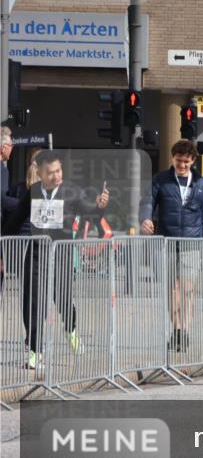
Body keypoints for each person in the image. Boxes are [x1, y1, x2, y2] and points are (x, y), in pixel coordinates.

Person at [14, 150, 111, 368]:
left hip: (61, 255)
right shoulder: (34, 192)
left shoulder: (72, 191)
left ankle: (71, 330)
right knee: (33, 302)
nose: (56, 176)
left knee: (64, 300)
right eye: (50, 173)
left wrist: (100, 206)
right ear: (40, 173)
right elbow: (15, 219)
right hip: (37, 253)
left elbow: (90, 212)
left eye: (58, 170)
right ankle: (35, 351)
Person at [140, 139, 203, 351]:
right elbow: (147, 202)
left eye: (186, 163)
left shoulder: (201, 184)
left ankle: (186, 331)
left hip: (191, 243)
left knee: (186, 289)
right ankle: (177, 329)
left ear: (193, 161)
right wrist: (146, 218)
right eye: (179, 161)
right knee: (173, 290)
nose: (182, 166)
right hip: (167, 242)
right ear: (173, 158)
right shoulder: (161, 180)